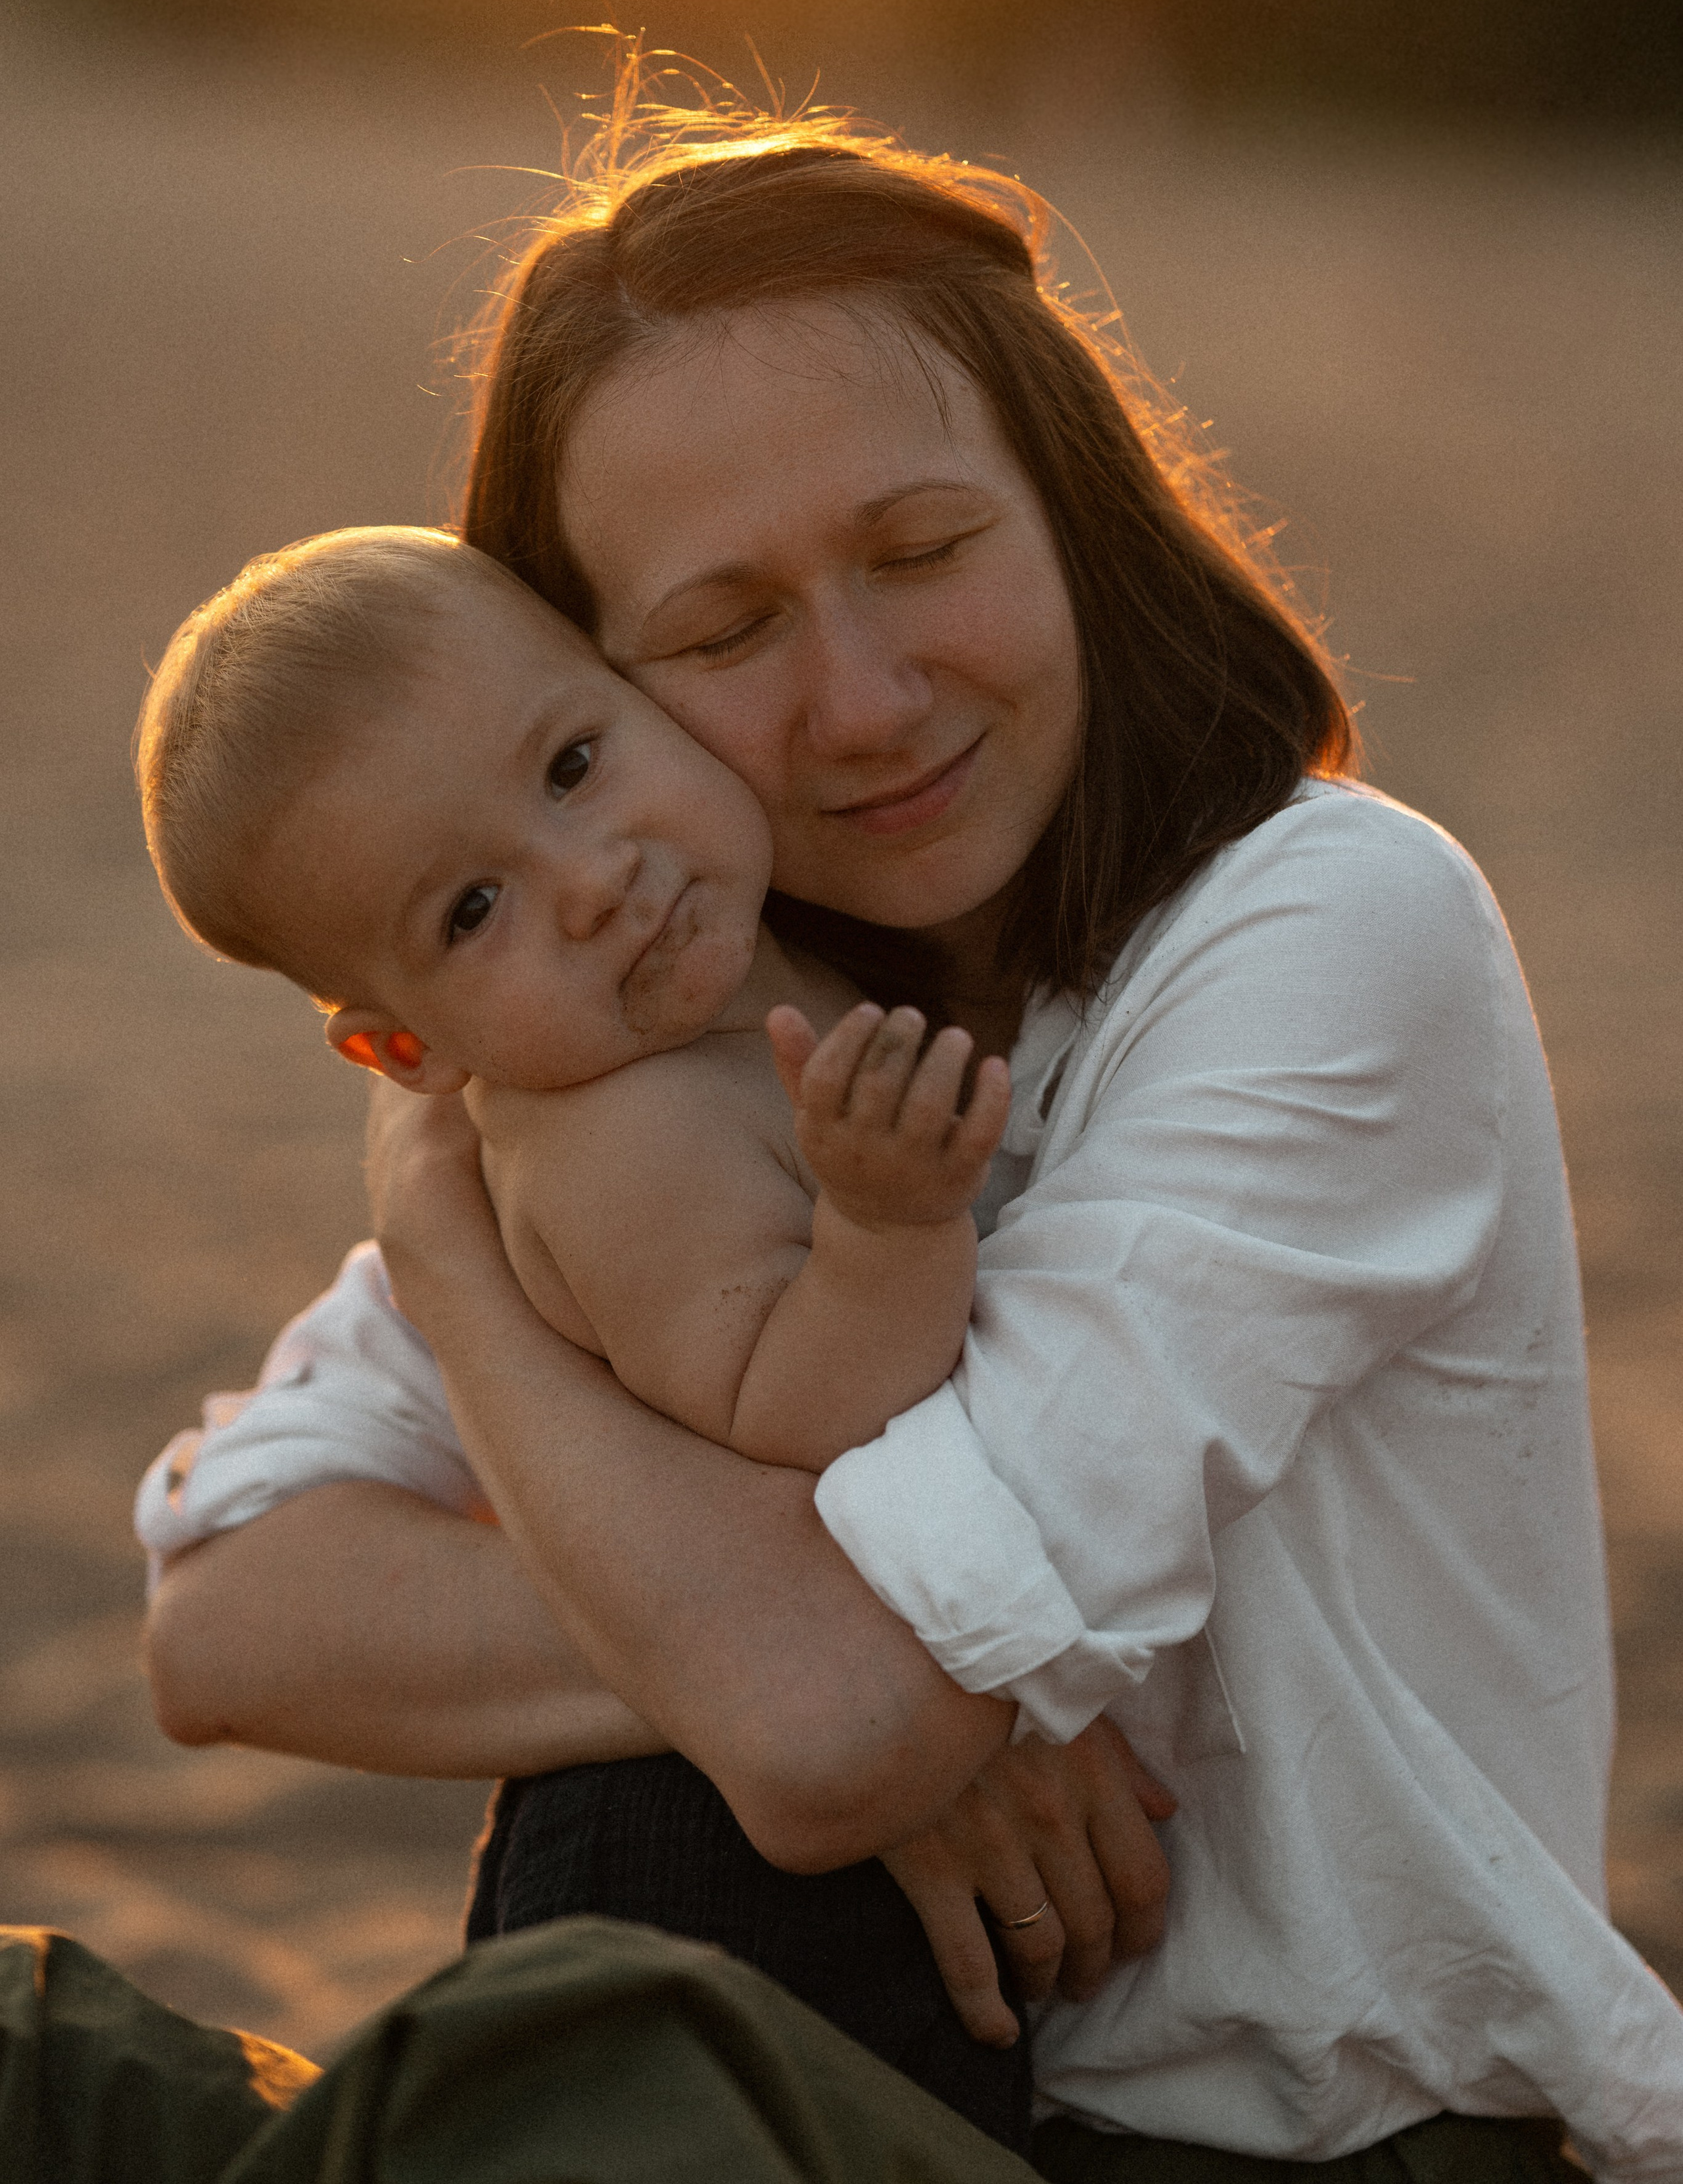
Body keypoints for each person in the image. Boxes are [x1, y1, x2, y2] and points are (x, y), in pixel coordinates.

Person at [137, 112, 1683, 2176]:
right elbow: (225, 1617)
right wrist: (740, 1659)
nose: (862, 700)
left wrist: (449, 1256)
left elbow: (835, 1726)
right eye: (724, 626)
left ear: (1070, 511)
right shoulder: (677, 1044)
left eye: (925, 548)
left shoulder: (1320, 926)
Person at [133, 521, 1036, 2142]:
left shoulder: (763, 989)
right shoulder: (624, 1145)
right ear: (402, 1047)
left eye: (571, 762)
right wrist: (892, 1231)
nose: (593, 877)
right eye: (474, 906)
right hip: (734, 1894)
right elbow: (794, 1411)